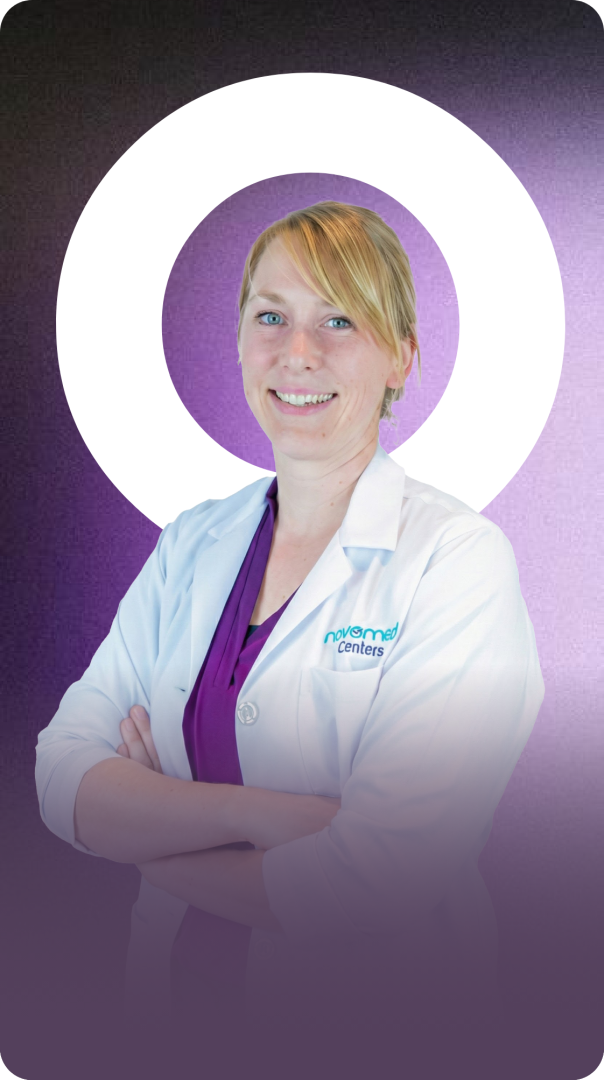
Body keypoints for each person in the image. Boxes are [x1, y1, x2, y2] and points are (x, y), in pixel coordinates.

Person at [35, 201, 544, 1079]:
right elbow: (61, 775)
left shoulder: (456, 561)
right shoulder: (193, 542)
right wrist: (259, 817)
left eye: (339, 320)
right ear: (239, 341)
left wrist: (149, 825)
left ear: (402, 357)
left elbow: (378, 881)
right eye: (270, 317)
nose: (297, 353)